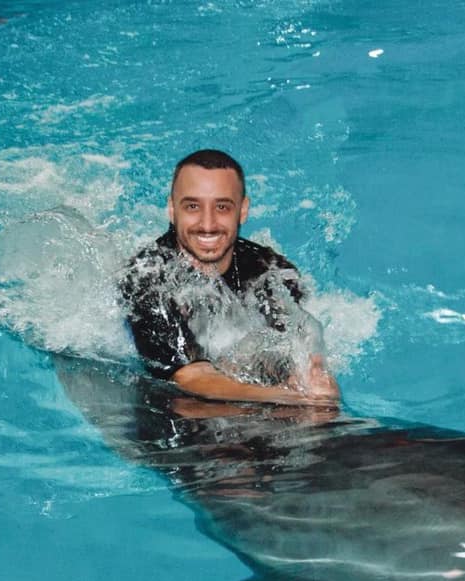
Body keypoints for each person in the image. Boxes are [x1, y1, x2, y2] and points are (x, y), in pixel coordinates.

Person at [120, 149, 339, 407]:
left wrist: (314, 373)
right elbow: (191, 378)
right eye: (192, 206)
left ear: (243, 210)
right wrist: (290, 398)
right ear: (171, 209)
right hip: (163, 403)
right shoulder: (146, 278)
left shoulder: (270, 270)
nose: (208, 224)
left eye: (222, 207)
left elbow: (298, 337)